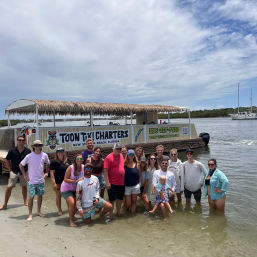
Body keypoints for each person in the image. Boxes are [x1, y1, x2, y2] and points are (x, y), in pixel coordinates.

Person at [19, 140, 50, 221]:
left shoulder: (44, 155)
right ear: (33, 146)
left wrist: (46, 172)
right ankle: (30, 214)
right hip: (31, 181)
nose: (37, 147)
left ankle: (39, 211)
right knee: (31, 197)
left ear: (41, 146)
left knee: (40, 196)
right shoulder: (29, 156)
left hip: (41, 180)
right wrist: (25, 175)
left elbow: (48, 163)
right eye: (36, 145)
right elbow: (21, 165)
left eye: (39, 145)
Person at [0, 135, 31, 210]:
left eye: (22, 140)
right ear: (17, 141)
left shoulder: (28, 151)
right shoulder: (12, 150)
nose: (21, 142)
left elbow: (30, 161)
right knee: (9, 187)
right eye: (19, 140)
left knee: (24, 187)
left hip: (24, 171)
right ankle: (5, 204)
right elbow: (7, 159)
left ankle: (25, 201)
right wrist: (10, 169)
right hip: (14, 171)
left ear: (24, 141)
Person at [60, 154, 84, 227]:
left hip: (76, 189)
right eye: (78, 159)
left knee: (78, 205)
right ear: (75, 160)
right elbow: (65, 179)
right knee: (72, 203)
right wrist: (76, 181)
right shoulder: (71, 167)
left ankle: (71, 216)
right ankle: (71, 221)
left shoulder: (83, 167)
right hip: (66, 188)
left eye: (81, 159)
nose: (79, 160)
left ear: (83, 160)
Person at [104, 143, 125, 219]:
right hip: (112, 183)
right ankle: (111, 216)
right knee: (112, 200)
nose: (119, 150)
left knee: (120, 199)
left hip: (121, 182)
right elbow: (105, 171)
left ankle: (118, 213)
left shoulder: (121, 155)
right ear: (113, 149)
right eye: (117, 149)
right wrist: (107, 182)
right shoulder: (108, 158)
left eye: (120, 149)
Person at [50, 147, 71, 216]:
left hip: (67, 182)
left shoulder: (68, 160)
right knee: (58, 196)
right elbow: (52, 173)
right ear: (57, 153)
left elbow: (71, 171)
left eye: (62, 152)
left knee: (68, 196)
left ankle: (69, 209)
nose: (60, 153)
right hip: (58, 182)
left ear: (64, 153)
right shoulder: (53, 162)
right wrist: (53, 183)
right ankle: (59, 210)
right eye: (59, 152)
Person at [124, 149, 140, 215]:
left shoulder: (137, 164)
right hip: (127, 186)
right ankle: (127, 209)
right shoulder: (124, 164)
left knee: (134, 202)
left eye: (132, 154)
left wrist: (140, 183)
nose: (131, 156)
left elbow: (140, 175)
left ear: (134, 155)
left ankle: (133, 215)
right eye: (130, 154)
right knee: (128, 204)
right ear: (127, 155)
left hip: (135, 186)